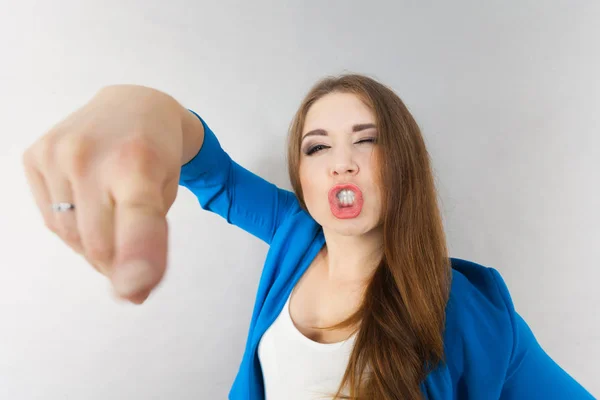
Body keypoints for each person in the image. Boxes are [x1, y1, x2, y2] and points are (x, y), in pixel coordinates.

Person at [22, 74, 594, 399]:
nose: (340, 163)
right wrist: (146, 104)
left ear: (404, 165)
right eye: (318, 147)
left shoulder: (473, 315)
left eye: (365, 140)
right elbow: (211, 172)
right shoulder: (292, 234)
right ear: (303, 177)